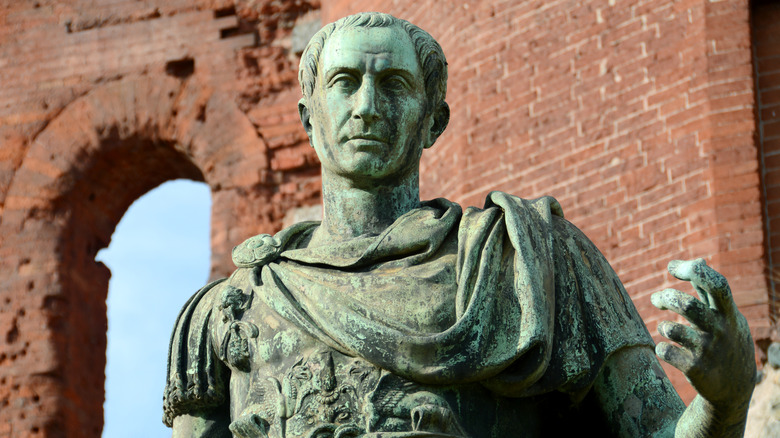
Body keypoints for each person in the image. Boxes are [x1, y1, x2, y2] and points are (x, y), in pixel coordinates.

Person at [163, 12, 755, 437]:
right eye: (344, 84)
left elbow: (660, 431)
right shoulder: (232, 309)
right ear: (308, 118)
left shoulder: (532, 263)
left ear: (433, 120)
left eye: (394, 84)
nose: (367, 105)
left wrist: (724, 399)